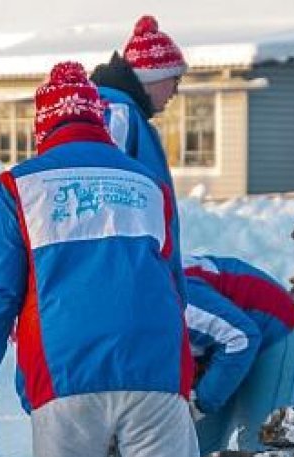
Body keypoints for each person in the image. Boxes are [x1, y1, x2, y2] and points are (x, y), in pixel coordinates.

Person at [0, 61, 198, 457]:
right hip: (157, 372)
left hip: (65, 374)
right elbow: (175, 287)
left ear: (41, 127)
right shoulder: (147, 185)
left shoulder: (20, 188)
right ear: (98, 119)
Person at [90, 14, 188, 303]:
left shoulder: (123, 112)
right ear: (152, 79)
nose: (176, 90)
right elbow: (103, 191)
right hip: (125, 275)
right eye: (174, 79)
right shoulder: (118, 114)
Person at [184, 255, 294, 455]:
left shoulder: (176, 299)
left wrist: (199, 404)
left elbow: (241, 338)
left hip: (273, 328)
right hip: (220, 349)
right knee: (194, 453)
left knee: (262, 450)